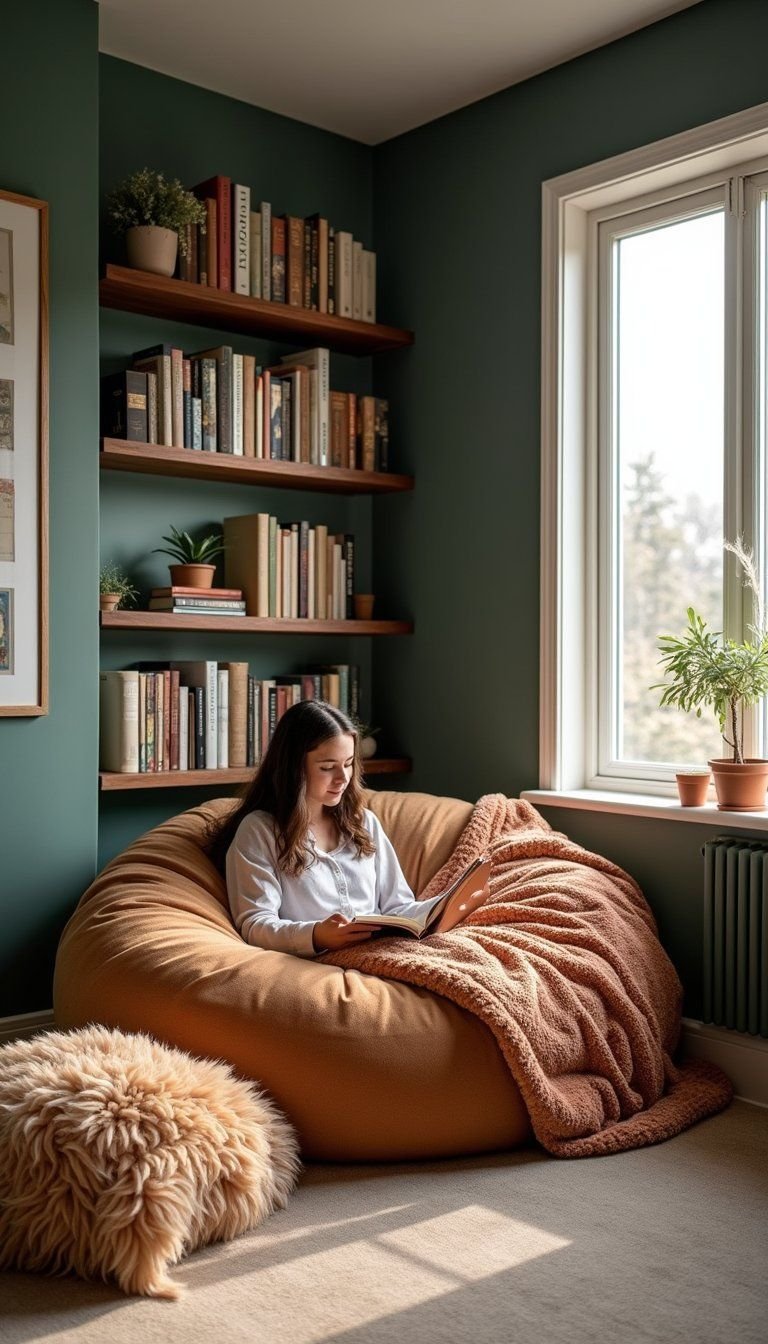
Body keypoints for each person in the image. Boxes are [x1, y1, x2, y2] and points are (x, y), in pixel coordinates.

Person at [207, 699, 445, 957]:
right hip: (315, 967)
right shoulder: (260, 831)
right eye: (328, 767)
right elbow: (255, 924)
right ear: (294, 768)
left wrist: (443, 907)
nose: (343, 778)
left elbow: (398, 906)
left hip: (381, 954)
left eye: (348, 763)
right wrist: (316, 935)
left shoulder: (363, 822)